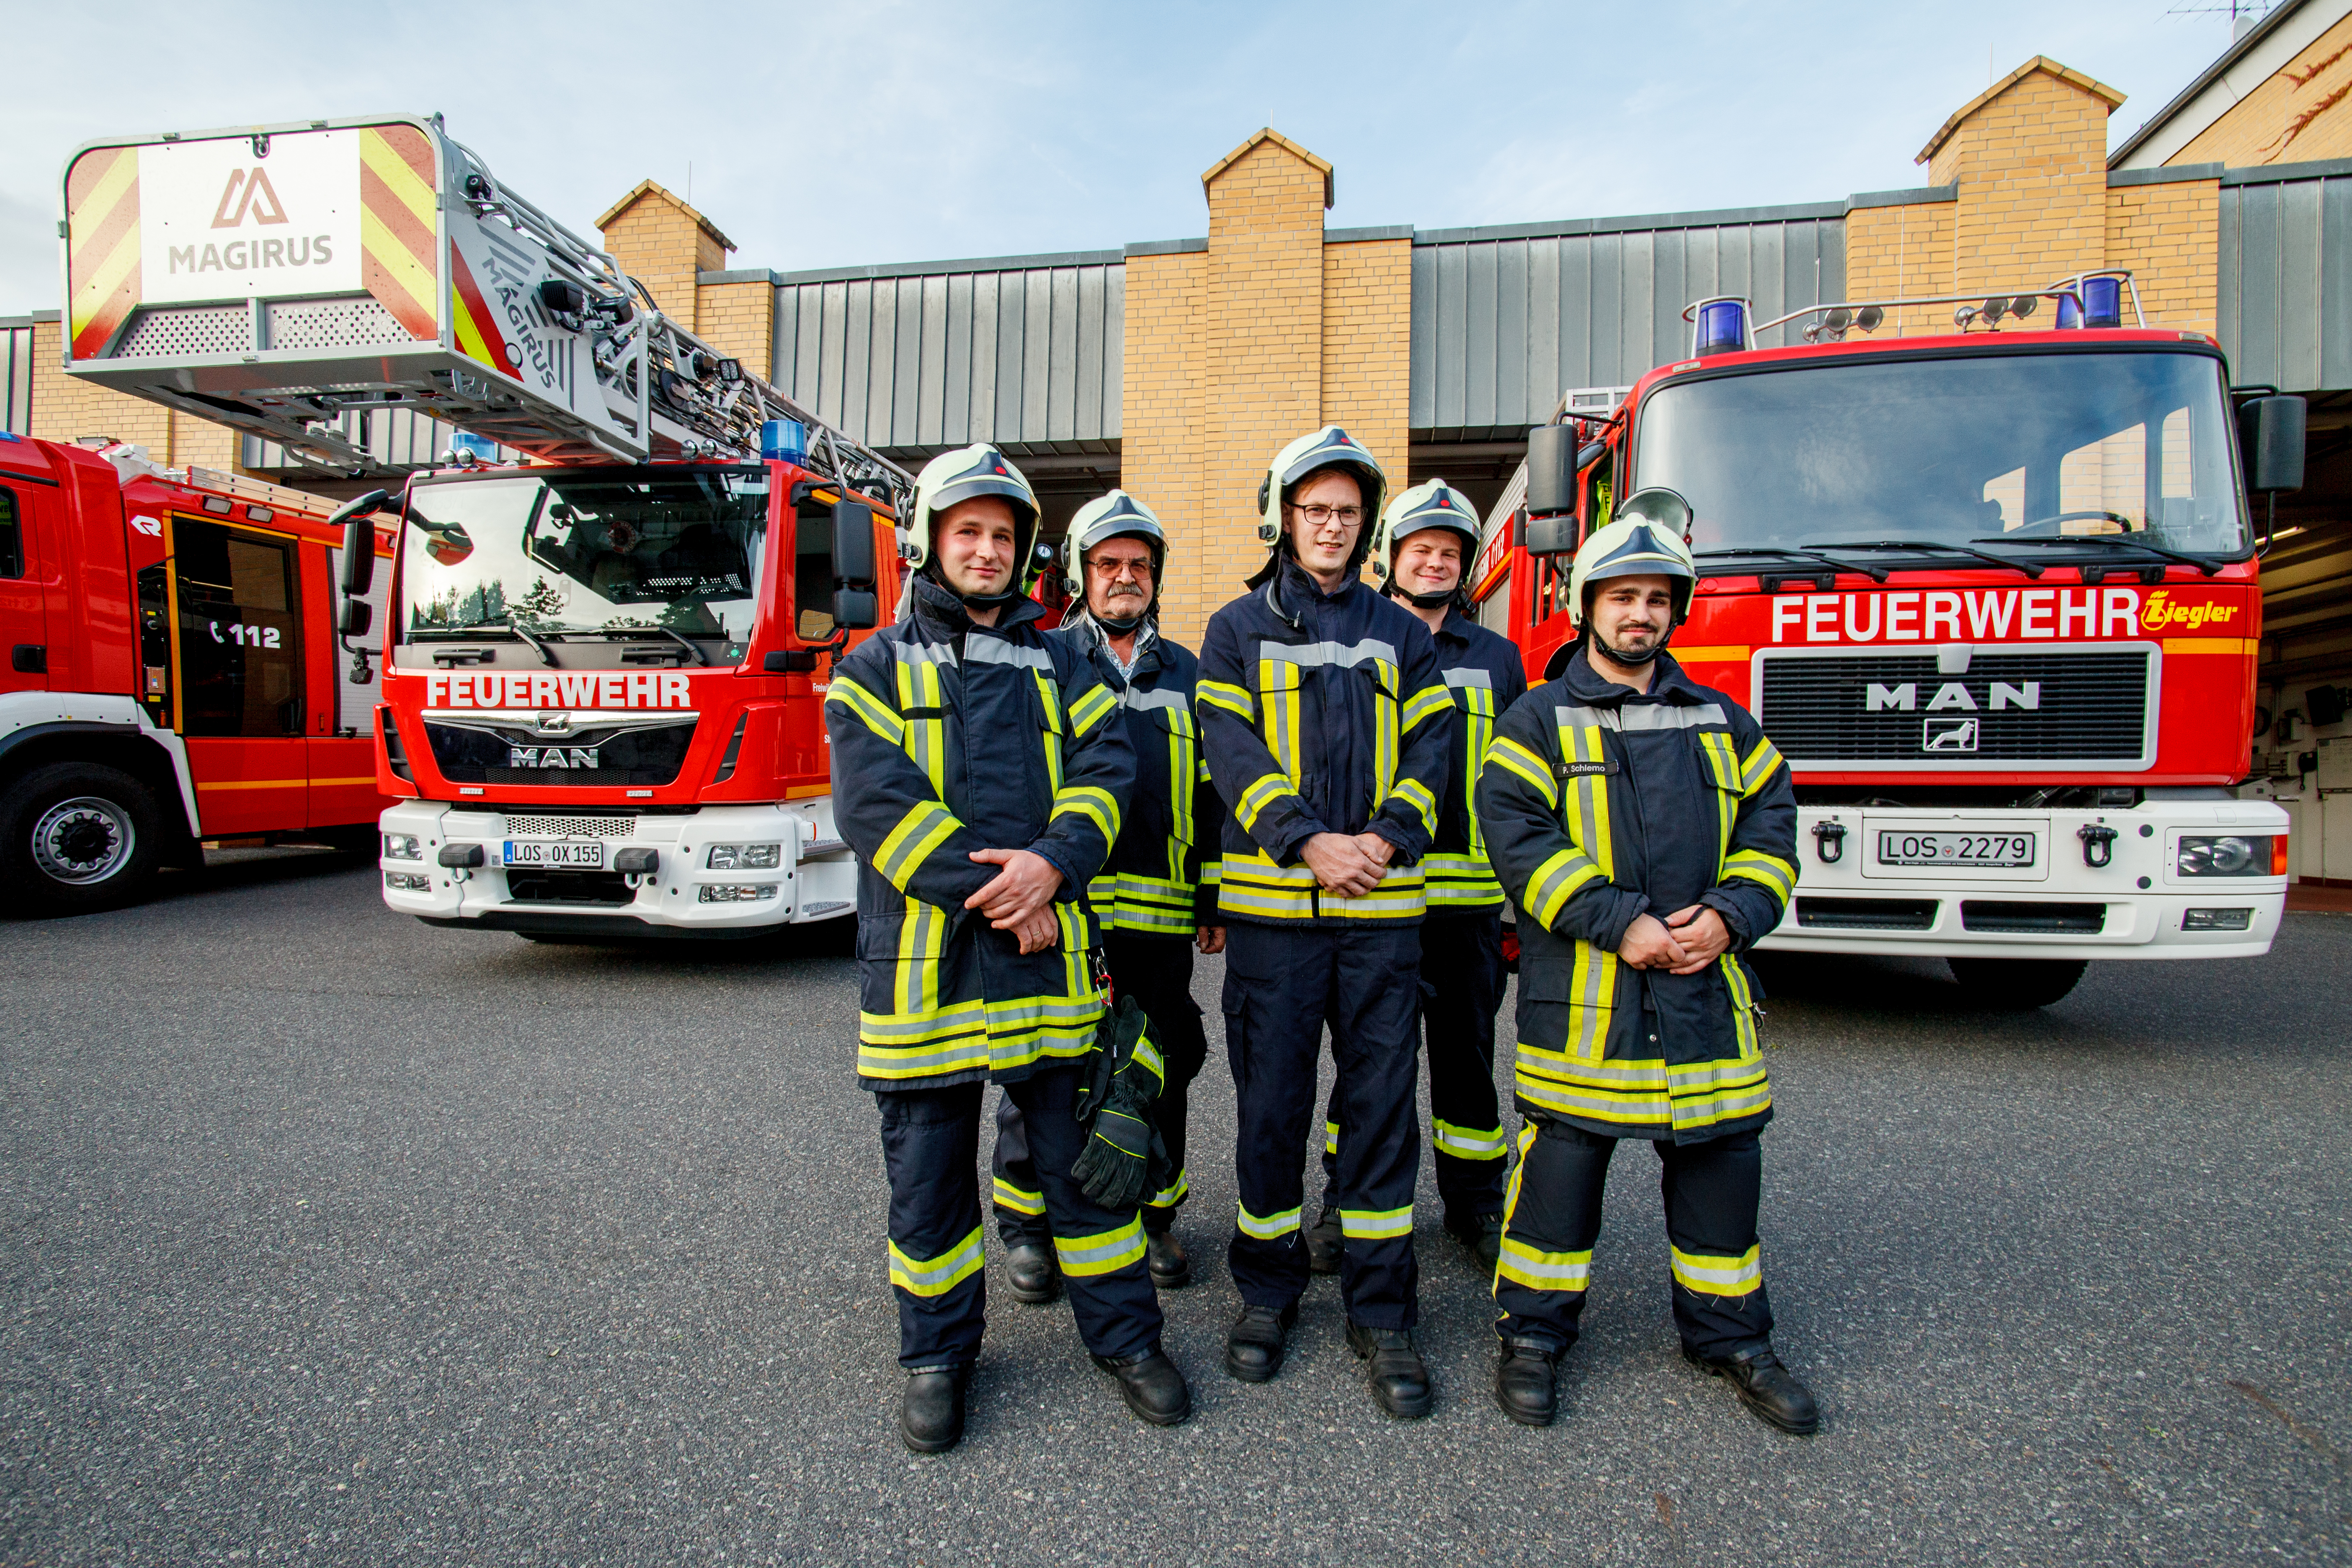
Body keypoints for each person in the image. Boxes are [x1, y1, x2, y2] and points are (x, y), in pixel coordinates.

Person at [823, 444, 1187, 1453]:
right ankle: (938, 1357)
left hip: (1050, 965)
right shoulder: (871, 667)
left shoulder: (1066, 659)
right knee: (928, 1183)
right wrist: (1006, 892)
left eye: (1001, 534)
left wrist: (1052, 867)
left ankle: (1125, 1340)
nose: (985, 550)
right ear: (932, 542)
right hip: (928, 975)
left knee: (1083, 1177)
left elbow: (1108, 775)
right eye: (967, 532)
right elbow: (876, 807)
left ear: (1024, 550)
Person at [1473, 491, 1817, 1435]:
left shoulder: (1726, 722)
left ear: (1677, 610)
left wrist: (1732, 915)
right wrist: (1619, 921)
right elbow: (1518, 838)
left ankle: (1733, 1338)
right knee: (1559, 1186)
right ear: (1587, 605)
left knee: (1720, 1170)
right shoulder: (1536, 722)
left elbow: (1773, 833)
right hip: (1587, 1009)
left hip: (1706, 998)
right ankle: (1533, 1339)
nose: (1639, 615)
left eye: (1657, 600)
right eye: (1621, 597)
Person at [1195, 426, 1453, 1419]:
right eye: (1317, 511)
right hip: (1275, 922)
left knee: (1384, 1111)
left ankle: (1383, 1312)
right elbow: (1232, 749)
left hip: (1381, 913)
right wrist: (1306, 841)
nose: (1333, 527)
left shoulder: (1406, 634)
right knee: (1271, 1112)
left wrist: (1382, 840)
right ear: (1284, 518)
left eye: (1348, 513)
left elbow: (1434, 753)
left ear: (1366, 524)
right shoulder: (1233, 628)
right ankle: (1267, 1294)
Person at [991, 490, 1225, 1297]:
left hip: (1158, 911)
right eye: (1109, 565)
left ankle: (1156, 1216)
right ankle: (1031, 1228)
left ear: (1156, 578)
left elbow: (1213, 794)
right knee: (1050, 1063)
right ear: (1080, 574)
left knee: (1161, 1060)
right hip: (1068, 910)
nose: (1126, 578)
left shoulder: (1191, 673)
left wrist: (1213, 897)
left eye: (1140, 566)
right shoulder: (1046, 659)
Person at [1309, 480, 1527, 1275]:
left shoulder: (1497, 658)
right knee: (1372, 1060)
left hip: (1467, 902)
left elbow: (1519, 781)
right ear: (1391, 557)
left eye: (1449, 553)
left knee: (1467, 1062)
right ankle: (1345, 1199)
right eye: (1420, 550)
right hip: (1382, 892)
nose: (1435, 564)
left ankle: (1474, 1203)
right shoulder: (1368, 637)